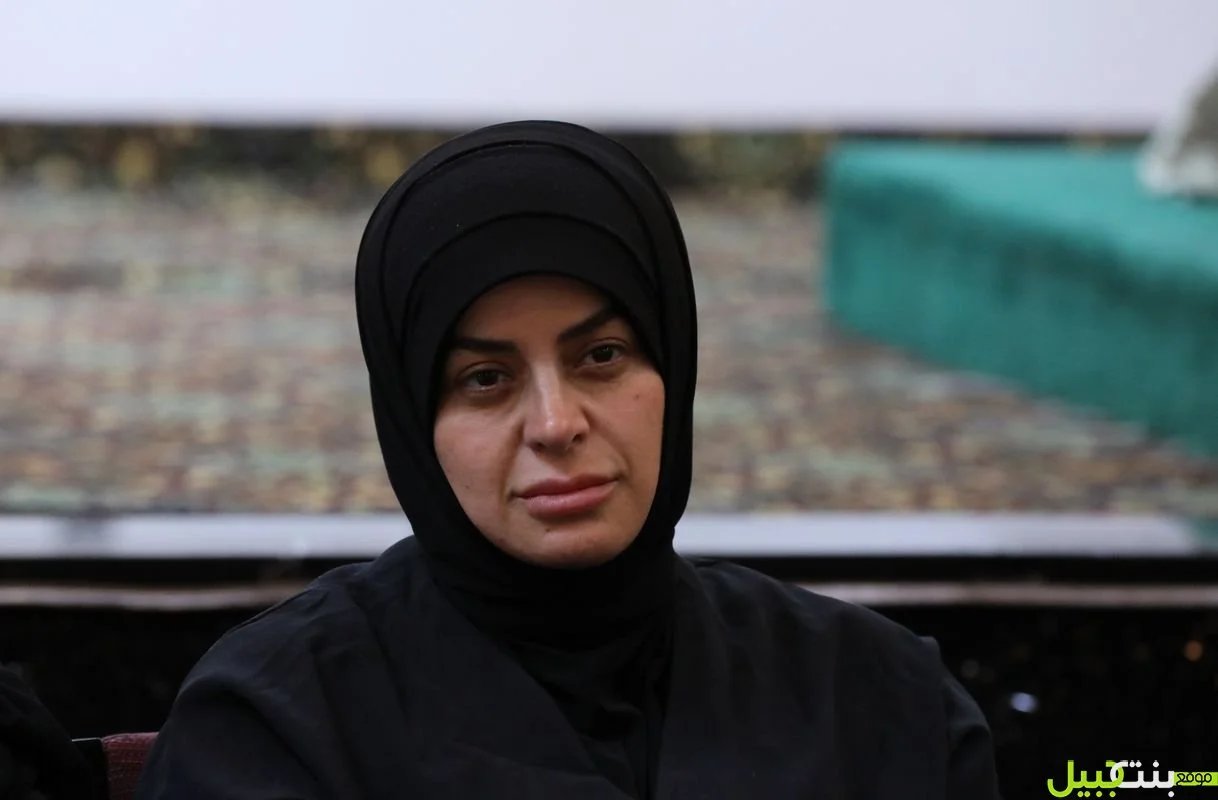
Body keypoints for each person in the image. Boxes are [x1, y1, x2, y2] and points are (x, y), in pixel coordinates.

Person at [136, 121, 1000, 799]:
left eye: (602, 357)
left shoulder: (876, 701)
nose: (555, 423)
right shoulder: (281, 726)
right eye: (485, 379)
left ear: (673, 367)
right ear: (410, 419)